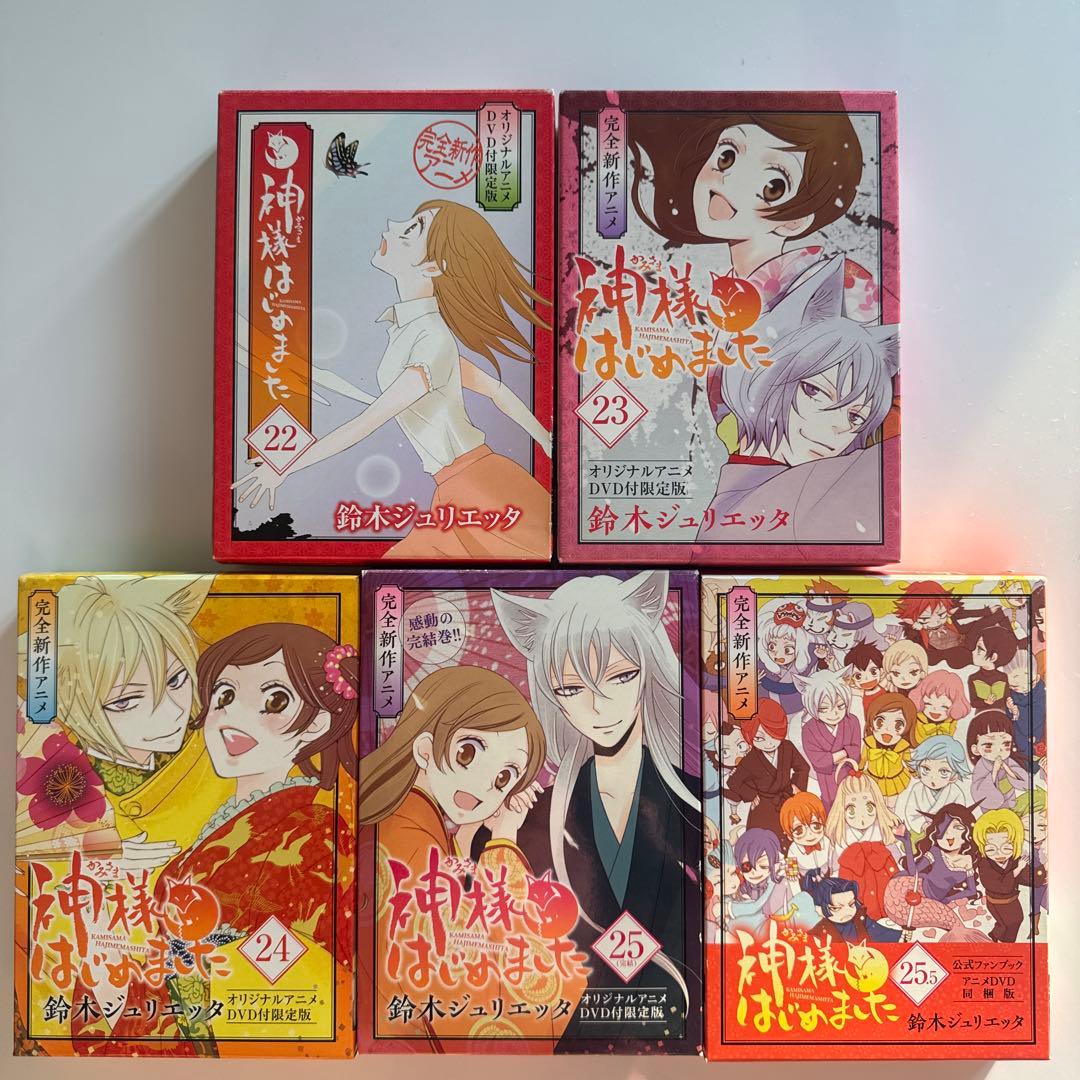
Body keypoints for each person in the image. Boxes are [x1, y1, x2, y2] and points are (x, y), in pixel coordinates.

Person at [234, 200, 553, 559]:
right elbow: (495, 390)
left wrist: (285, 467)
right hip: (460, 487)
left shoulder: (431, 338)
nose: (391, 223)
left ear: (433, 266)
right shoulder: (418, 332)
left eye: (413, 228)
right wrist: (545, 439)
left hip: (479, 488)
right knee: (399, 581)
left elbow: (366, 423)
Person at [492, 571, 701, 1052]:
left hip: (679, 1024)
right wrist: (501, 833)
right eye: (571, 689)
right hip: (568, 1034)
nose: (599, 705)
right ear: (552, 698)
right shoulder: (535, 817)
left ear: (648, 670)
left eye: (621, 676)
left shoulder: (695, 804)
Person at [358, 665, 575, 1044]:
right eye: (468, 752)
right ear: (425, 749)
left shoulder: (405, 823)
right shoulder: (407, 836)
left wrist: (473, 831)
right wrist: (504, 838)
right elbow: (481, 972)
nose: (484, 785)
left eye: (504, 778)